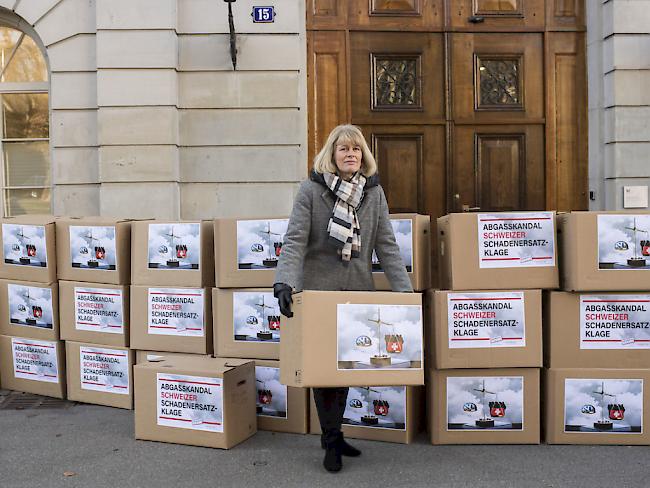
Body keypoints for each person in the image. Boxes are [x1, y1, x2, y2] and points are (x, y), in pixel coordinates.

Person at [273, 124, 413, 473]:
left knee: (347, 367)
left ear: (363, 156)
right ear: (331, 157)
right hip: (319, 294)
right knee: (326, 372)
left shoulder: (374, 194)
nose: (351, 154)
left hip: (356, 294)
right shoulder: (310, 191)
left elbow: (387, 247)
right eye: (343, 150)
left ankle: (332, 434)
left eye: (356, 149)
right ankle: (332, 441)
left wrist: (405, 295)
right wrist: (284, 283)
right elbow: (294, 241)